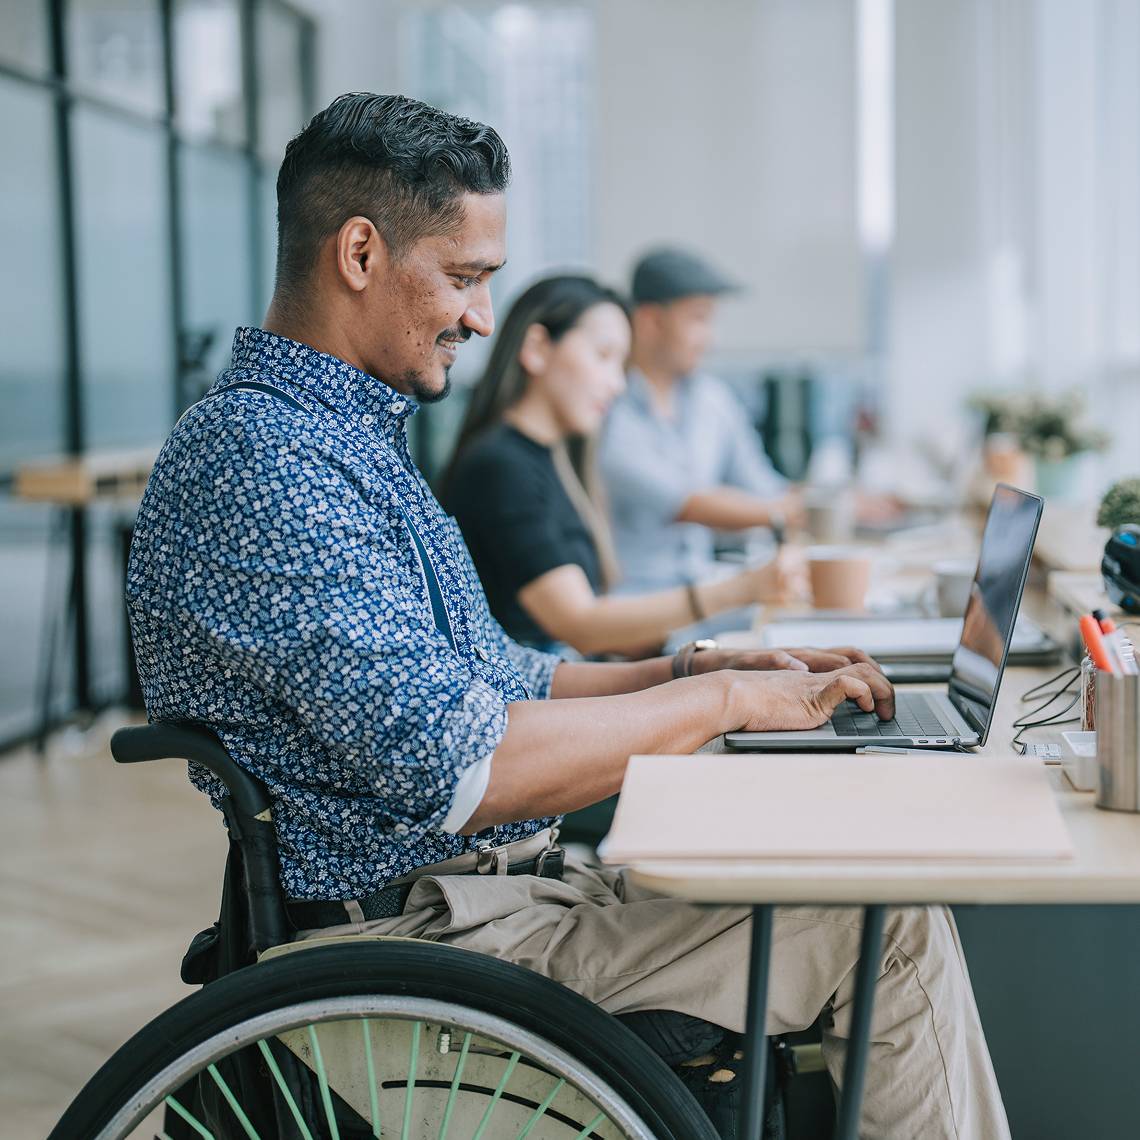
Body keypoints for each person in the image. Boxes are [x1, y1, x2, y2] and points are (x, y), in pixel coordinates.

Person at [126, 93, 1009, 1139]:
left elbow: (511, 677)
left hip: (488, 910)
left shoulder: (340, 441)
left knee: (850, 883)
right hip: (419, 960)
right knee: (885, 923)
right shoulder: (266, 464)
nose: (481, 317)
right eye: (465, 277)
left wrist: (700, 672)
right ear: (359, 254)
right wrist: (726, 703)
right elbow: (467, 768)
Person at [442, 273, 800, 657]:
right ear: (538, 348)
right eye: (603, 356)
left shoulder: (555, 457)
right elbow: (581, 625)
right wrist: (741, 589)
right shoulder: (500, 468)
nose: (617, 384)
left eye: (621, 365)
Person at [597, 247, 802, 594]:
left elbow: (764, 487)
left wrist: (836, 500)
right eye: (698, 319)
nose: (710, 339)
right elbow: (687, 504)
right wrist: (806, 510)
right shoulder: (609, 408)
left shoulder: (712, 399)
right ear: (651, 322)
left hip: (703, 585)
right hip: (637, 604)